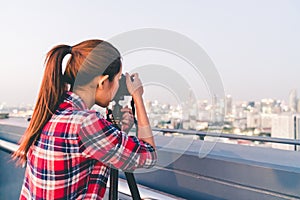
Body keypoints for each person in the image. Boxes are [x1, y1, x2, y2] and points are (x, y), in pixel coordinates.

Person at [13, 39, 157, 200]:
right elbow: (148, 155)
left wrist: (119, 131)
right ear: (102, 82)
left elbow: (88, 150)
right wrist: (138, 96)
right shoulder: (85, 123)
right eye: (117, 80)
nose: (118, 86)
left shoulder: (51, 112)